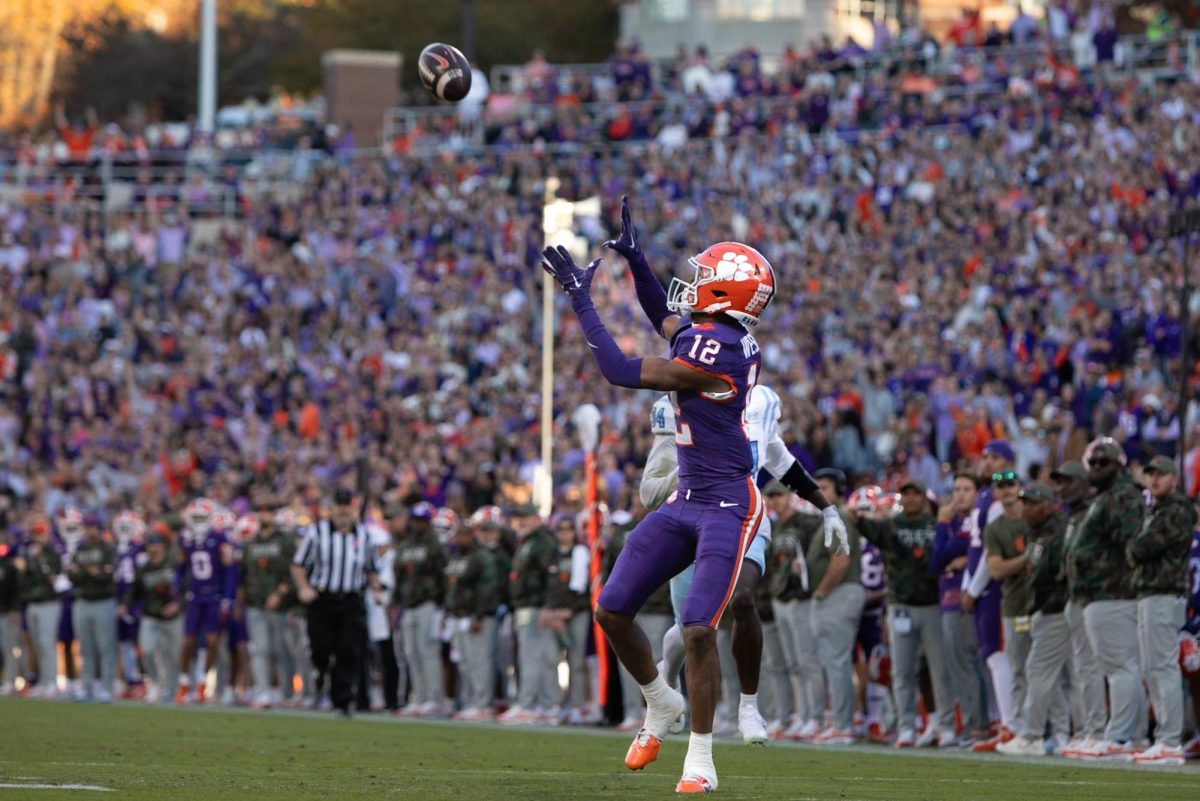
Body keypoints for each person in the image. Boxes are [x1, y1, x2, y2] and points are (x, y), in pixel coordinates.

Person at [542, 198, 778, 793]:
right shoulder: (711, 335)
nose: (691, 286)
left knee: (699, 628)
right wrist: (636, 260)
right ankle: (659, 701)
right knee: (611, 608)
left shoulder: (720, 350)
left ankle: (700, 756)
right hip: (688, 496)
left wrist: (579, 296)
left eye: (704, 280)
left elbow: (620, 370)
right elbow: (663, 320)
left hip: (728, 501)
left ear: (726, 294)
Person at [849, 479, 955, 748]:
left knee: (938, 670)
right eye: (905, 494)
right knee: (902, 671)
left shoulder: (936, 526)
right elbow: (864, 525)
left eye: (915, 494)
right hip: (900, 604)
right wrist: (853, 516)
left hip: (932, 604)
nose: (910, 499)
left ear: (924, 498)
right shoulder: (890, 525)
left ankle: (945, 725)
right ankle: (907, 727)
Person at [1064, 438, 1146, 760]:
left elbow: (1130, 544)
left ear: (1119, 465)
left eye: (1104, 462)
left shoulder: (1124, 496)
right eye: (1093, 462)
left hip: (1113, 591)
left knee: (1121, 667)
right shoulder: (1107, 496)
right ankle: (1130, 735)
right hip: (1099, 593)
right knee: (1118, 667)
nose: (1097, 467)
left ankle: (1120, 736)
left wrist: (1099, 567)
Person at [290, 488, 385, 717]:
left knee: (348, 650)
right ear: (332, 508)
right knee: (320, 648)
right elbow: (298, 564)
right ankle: (321, 674)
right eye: (339, 505)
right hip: (323, 599)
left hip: (350, 599)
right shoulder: (317, 533)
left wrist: (376, 590)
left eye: (346, 505)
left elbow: (372, 568)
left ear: (353, 508)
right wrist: (304, 588)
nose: (343, 510)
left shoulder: (364, 536)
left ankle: (341, 701)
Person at [1128, 455, 1196, 765]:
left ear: (1174, 479)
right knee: (1151, 667)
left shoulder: (1177, 510)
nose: (1155, 480)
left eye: (1161, 475)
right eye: (1150, 474)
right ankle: (1164, 739)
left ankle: (1170, 740)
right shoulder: (1155, 509)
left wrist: (1135, 544)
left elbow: (1141, 547)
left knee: (1163, 665)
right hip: (1149, 592)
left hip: (1164, 593)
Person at [997, 483, 1071, 757]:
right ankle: (1061, 734)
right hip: (1041, 609)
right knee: (1046, 673)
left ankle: (1032, 735)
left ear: (1049, 505)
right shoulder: (1035, 531)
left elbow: (1052, 574)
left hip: (1056, 608)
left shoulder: (1058, 531)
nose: (1026, 508)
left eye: (1033, 503)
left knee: (1040, 671)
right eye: (1025, 502)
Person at [961, 441, 1018, 753]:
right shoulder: (985, 494)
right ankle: (1003, 724)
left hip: (993, 587)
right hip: (981, 585)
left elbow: (990, 551)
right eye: (985, 456)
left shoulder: (999, 495)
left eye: (995, 457)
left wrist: (973, 587)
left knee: (998, 655)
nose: (987, 462)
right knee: (991, 656)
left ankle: (1010, 725)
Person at [1051, 461, 1106, 755]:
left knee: (1093, 667)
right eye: (1060, 483)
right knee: (1080, 668)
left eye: (1069, 482)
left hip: (1092, 596)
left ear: (1084, 483)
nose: (1063, 488)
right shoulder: (1070, 515)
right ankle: (1084, 728)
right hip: (1073, 596)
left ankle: (1097, 729)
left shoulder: (1094, 512)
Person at [931, 473, 988, 742]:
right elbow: (934, 564)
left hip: (965, 599)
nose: (961, 494)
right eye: (957, 489)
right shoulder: (953, 521)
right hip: (948, 598)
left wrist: (941, 526)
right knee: (960, 664)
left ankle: (977, 725)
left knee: (967, 663)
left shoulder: (971, 520)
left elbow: (942, 553)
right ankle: (975, 722)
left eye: (967, 488)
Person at [983, 469, 1033, 749]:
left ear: (1020, 487)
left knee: (1051, 671)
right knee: (1018, 669)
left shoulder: (1034, 517)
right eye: (1001, 486)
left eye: (1011, 485)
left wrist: (1012, 563)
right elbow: (995, 569)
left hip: (1043, 603)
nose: (1006, 491)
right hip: (1015, 605)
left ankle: (1060, 730)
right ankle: (1022, 729)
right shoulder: (995, 527)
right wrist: (1026, 558)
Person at [499, 503, 559, 724]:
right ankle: (545, 704)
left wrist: (547, 606)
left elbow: (552, 575)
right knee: (536, 655)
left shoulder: (542, 542)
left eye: (524, 517)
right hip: (526, 605)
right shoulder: (527, 542)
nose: (519, 522)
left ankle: (529, 704)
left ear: (536, 518)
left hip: (535, 605)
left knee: (532, 656)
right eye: (517, 518)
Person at [176, 498, 236, 705]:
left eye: (203, 517)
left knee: (211, 642)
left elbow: (230, 571)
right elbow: (180, 567)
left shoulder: (220, 538)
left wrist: (228, 598)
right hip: (194, 595)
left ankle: (201, 682)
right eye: (196, 517)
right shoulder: (185, 539)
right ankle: (183, 681)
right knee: (189, 640)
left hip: (214, 595)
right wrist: (177, 588)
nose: (199, 521)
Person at [393, 502, 448, 717]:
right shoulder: (405, 546)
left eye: (421, 521)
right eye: (415, 521)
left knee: (428, 652)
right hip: (409, 605)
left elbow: (444, 577)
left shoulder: (435, 545)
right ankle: (420, 696)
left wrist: (442, 607)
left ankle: (434, 698)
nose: (417, 525)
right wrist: (396, 602)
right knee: (411, 653)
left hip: (429, 604)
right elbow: (400, 577)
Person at [443, 516, 500, 721]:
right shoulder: (456, 557)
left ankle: (482, 703)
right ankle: (472, 702)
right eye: (457, 535)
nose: (459, 539)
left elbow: (487, 589)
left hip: (476, 616)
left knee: (480, 661)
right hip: (458, 615)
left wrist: (479, 614)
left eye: (463, 535)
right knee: (466, 662)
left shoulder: (481, 557)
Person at [119, 528, 183, 704]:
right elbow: (135, 590)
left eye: (157, 544)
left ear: (164, 546)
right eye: (151, 545)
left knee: (173, 654)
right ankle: (155, 683)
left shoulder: (173, 564)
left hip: (173, 616)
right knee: (146, 650)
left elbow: (185, 587)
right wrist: (125, 603)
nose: (153, 548)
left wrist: (178, 605)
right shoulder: (144, 568)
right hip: (151, 614)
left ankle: (171, 687)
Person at [543, 514, 594, 724]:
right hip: (554, 614)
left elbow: (581, 586)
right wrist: (551, 611)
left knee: (576, 660)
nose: (564, 534)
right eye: (560, 530)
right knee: (551, 659)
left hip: (576, 613)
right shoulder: (551, 555)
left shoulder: (580, 552)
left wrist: (567, 611)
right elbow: (546, 586)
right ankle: (555, 703)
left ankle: (576, 705)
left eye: (568, 529)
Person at [241, 512, 295, 709]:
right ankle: (263, 691)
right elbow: (243, 574)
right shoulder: (250, 543)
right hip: (255, 603)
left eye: (268, 511)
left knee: (281, 649)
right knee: (260, 649)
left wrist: (280, 593)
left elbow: (294, 571)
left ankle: (286, 692)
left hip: (280, 605)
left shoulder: (285, 542)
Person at [67, 512, 117, 702]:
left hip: (103, 600)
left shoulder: (106, 549)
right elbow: (72, 575)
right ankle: (86, 687)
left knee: (106, 647)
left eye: (93, 526)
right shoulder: (79, 548)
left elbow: (107, 574)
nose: (90, 530)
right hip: (82, 601)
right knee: (85, 648)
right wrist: (91, 572)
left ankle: (106, 688)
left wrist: (88, 573)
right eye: (87, 527)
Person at [17, 519, 63, 697]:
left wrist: (39, 558)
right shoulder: (28, 553)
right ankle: (43, 681)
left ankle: (52, 681)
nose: (39, 537)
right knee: (37, 644)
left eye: (41, 533)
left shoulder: (52, 553)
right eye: (36, 533)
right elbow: (25, 578)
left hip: (48, 602)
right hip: (32, 602)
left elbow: (53, 577)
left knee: (47, 643)